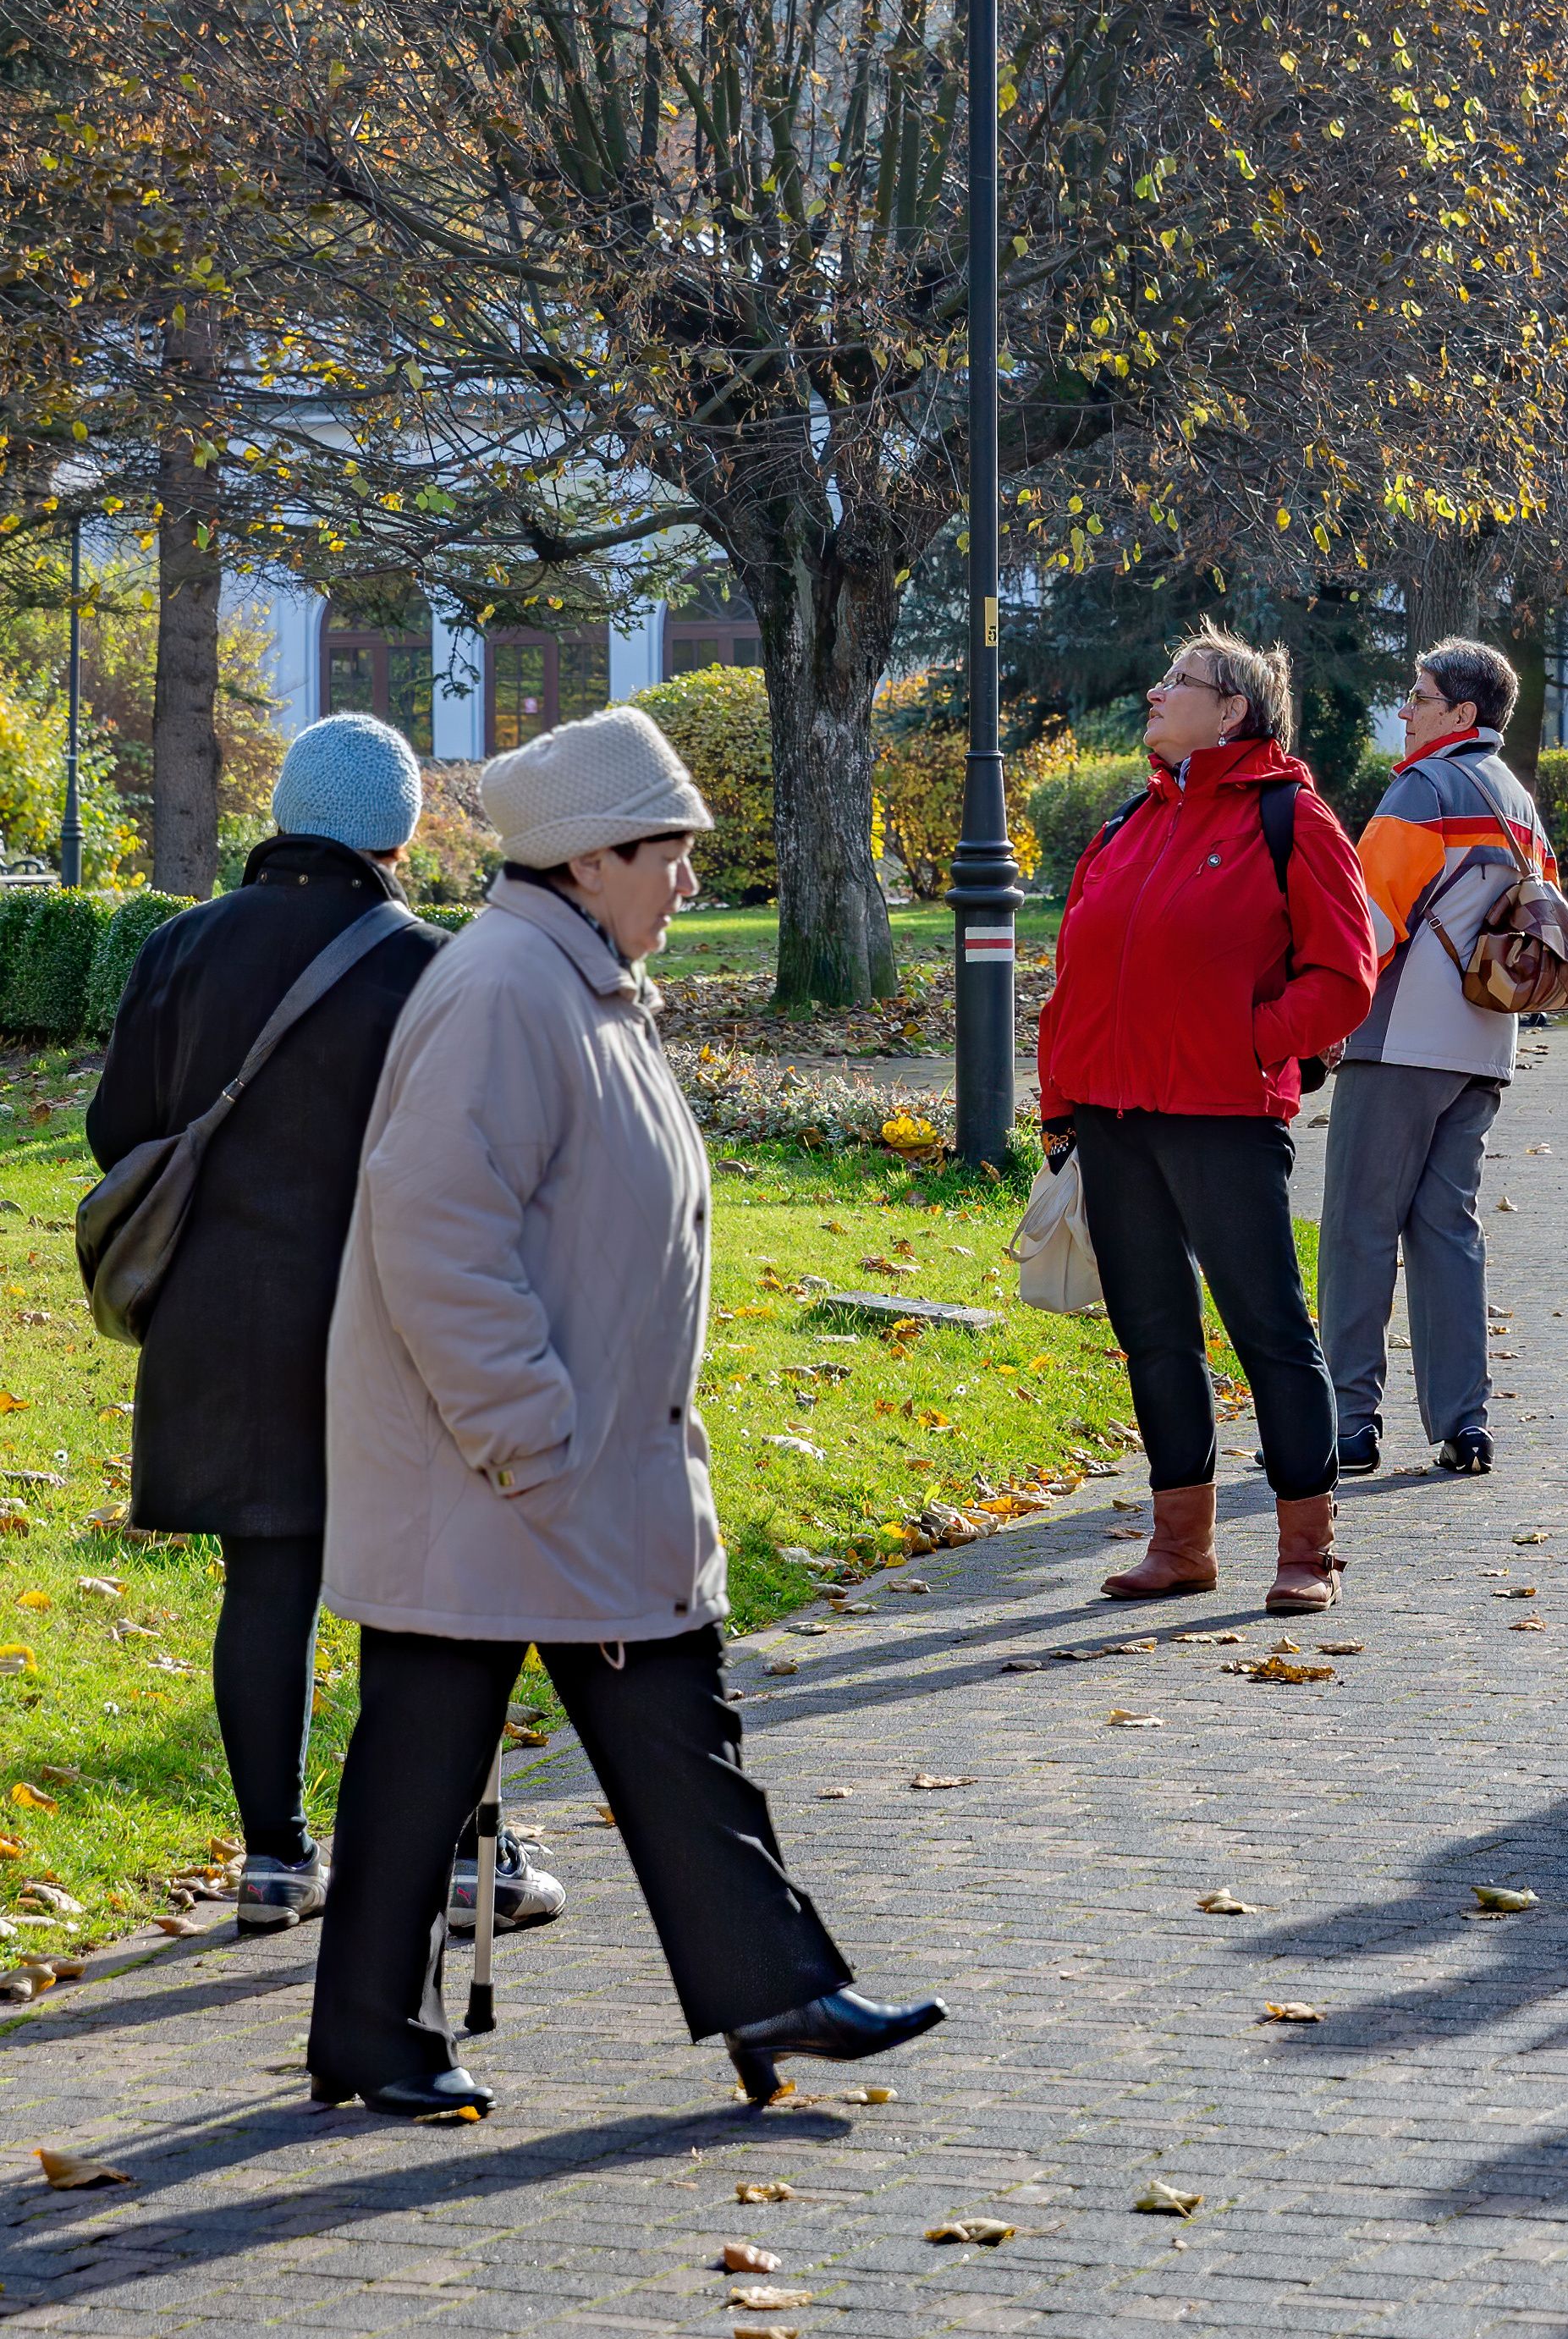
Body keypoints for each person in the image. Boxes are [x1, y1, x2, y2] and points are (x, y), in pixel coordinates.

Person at [306, 705, 946, 2119]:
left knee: (644, 1725)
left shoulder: (570, 978)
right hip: (514, 1472)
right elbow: (433, 1232)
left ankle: (765, 1993)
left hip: (563, 1475)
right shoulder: (508, 991)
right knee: (449, 1752)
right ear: (593, 858)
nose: (687, 884)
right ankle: (380, 2029)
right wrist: (529, 1427)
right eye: (670, 853)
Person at [85, 712, 564, 1941]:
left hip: (218, 1320)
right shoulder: (432, 967)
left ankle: (272, 1861)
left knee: (266, 1582)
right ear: (401, 833)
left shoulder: (181, 945)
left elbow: (116, 1131)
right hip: (388, 1317)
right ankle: (464, 1856)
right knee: (427, 1591)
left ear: (286, 816)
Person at [1037, 625, 1377, 1613]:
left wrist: (1254, 1041)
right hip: (1112, 1115)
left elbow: (1346, 974)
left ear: (1233, 708)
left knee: (1268, 1327)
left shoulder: (1292, 819)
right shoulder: (1121, 825)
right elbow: (1074, 979)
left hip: (1223, 1112)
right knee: (1153, 1333)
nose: (1156, 690)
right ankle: (1181, 1544)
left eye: (1178, 680)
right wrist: (1062, 1106)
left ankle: (1306, 1550)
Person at [1318, 636, 1557, 1478]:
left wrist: (1322, 1018)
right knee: (1447, 1232)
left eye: (1418, 697)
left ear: (1461, 713)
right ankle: (1466, 1423)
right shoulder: (1516, 799)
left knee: (1357, 1226)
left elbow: (1366, 922)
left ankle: (1347, 1418)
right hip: (1486, 1043)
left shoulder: (1423, 788)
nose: (1405, 710)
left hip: (1402, 1041)